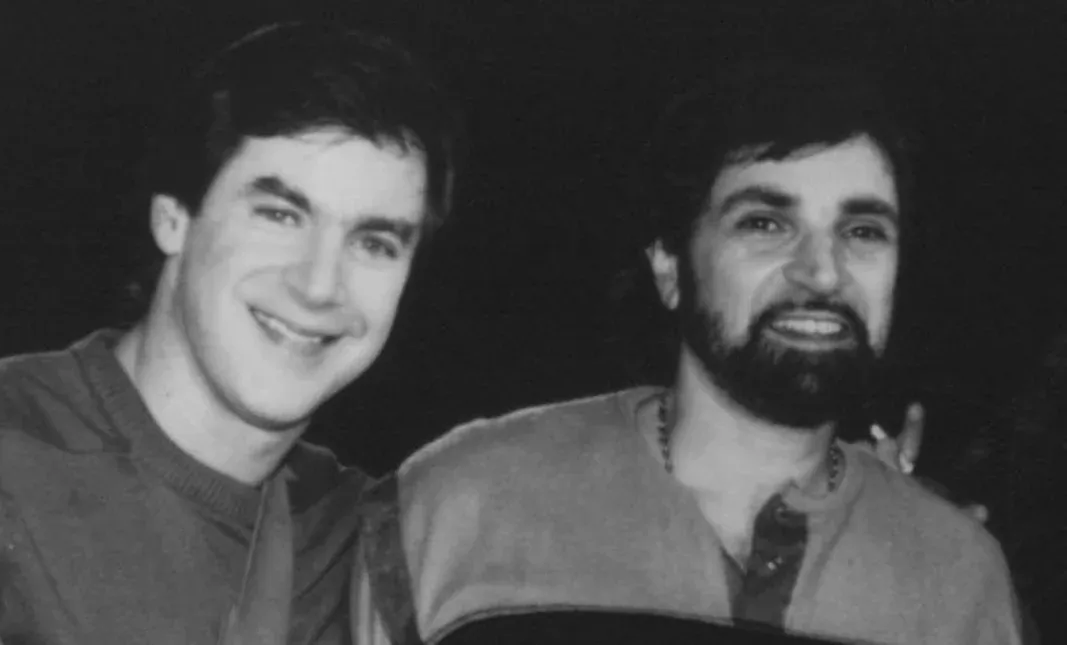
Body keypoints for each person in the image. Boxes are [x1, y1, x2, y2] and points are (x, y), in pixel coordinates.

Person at [351, 61, 1023, 644]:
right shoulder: (460, 502)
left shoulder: (961, 577)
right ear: (670, 266)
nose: (823, 272)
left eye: (863, 230)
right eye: (765, 223)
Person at [0, 21, 461, 645]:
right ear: (173, 219)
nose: (319, 286)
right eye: (280, 215)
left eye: (374, 243)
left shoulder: (380, 546)